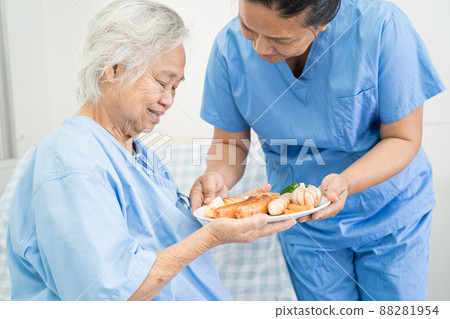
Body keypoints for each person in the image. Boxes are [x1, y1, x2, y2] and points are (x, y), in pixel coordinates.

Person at [6, 0, 295, 301]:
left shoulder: (135, 151)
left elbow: (161, 242)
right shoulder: (70, 161)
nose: (169, 100)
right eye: (162, 82)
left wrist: (218, 209)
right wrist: (211, 236)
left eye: (175, 88)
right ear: (114, 68)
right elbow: (108, 295)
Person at [191, 0, 445, 301]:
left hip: (389, 214)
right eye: (248, 28)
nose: (259, 48)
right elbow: (231, 144)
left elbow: (403, 139)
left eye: (280, 39)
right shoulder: (228, 47)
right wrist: (218, 178)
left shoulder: (381, 26)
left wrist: (346, 183)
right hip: (304, 223)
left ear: (323, 22)